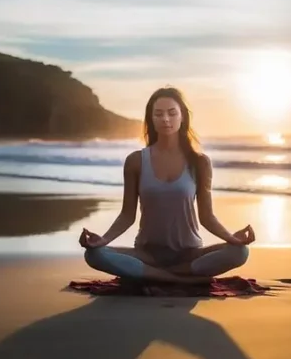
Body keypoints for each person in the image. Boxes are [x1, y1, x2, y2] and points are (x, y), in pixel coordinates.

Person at [79, 86, 255, 283]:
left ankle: (157, 275)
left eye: (172, 113)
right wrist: (103, 241)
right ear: (151, 119)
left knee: (240, 252)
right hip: (148, 255)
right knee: (94, 255)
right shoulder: (136, 161)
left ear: (182, 117)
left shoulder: (200, 162)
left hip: (189, 253)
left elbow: (207, 216)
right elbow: (127, 215)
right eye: (158, 114)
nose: (165, 119)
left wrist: (232, 239)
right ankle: (178, 279)